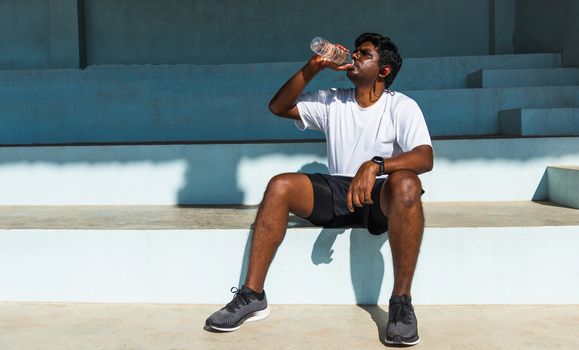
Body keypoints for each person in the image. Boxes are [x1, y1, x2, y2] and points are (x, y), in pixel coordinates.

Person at [205, 33, 433, 346]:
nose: (354, 57)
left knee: (407, 182)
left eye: (364, 54)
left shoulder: (402, 106)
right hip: (338, 189)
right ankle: (252, 295)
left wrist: (376, 165)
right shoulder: (332, 99)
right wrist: (314, 66)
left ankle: (401, 303)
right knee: (280, 185)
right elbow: (278, 106)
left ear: (383, 71)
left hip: (378, 196)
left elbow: (424, 156)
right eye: (355, 51)